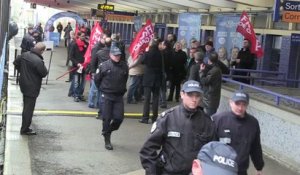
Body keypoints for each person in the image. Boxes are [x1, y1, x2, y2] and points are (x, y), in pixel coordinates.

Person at [140, 80, 215, 175]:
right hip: (169, 172)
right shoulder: (167, 118)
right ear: (182, 94)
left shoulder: (207, 122)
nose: (194, 99)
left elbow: (212, 153)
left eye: (197, 95)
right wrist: (152, 172)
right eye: (190, 95)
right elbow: (147, 150)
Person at [212, 90, 264, 175]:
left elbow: (256, 147)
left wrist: (259, 167)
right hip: (220, 169)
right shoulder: (218, 120)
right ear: (230, 102)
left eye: (243, 105)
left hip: (241, 170)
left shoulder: (253, 123)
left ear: (247, 105)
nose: (240, 108)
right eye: (237, 104)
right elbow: (208, 146)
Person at [94, 46, 129, 150]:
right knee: (106, 118)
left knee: (119, 118)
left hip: (118, 96)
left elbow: (125, 78)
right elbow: (97, 80)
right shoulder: (104, 66)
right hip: (107, 95)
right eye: (115, 55)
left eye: (118, 55)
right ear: (110, 55)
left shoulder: (124, 66)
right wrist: (103, 89)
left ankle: (108, 131)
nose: (117, 57)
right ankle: (107, 138)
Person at [13, 42, 48, 135]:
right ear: (42, 51)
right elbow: (44, 73)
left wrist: (21, 71)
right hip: (32, 87)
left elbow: (15, 63)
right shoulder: (38, 61)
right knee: (28, 109)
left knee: (26, 106)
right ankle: (24, 129)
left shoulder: (25, 55)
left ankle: (25, 127)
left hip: (23, 84)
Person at [139, 39, 163, 124]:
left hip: (148, 78)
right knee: (155, 99)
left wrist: (146, 52)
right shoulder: (160, 54)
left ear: (151, 45)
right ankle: (154, 118)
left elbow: (141, 61)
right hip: (157, 78)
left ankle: (145, 118)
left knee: (147, 99)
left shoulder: (147, 53)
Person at [199, 52, 222, 116]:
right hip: (212, 98)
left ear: (209, 60)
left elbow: (204, 81)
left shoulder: (213, 71)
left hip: (210, 99)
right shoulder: (216, 69)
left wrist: (201, 71)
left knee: (209, 118)